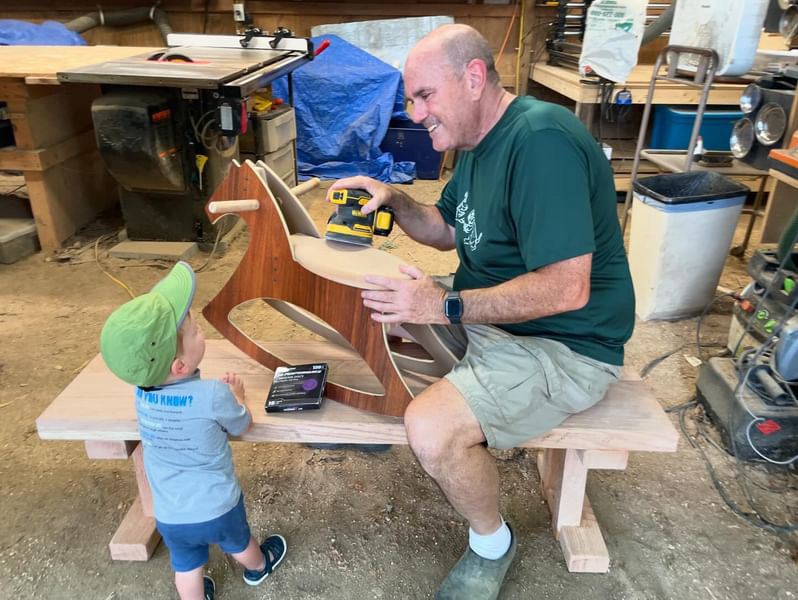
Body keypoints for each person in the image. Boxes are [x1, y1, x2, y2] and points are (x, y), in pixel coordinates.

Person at [329, 24, 635, 600]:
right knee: (377, 298)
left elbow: (568, 289)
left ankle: (492, 543)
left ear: (473, 78)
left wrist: (445, 305)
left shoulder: (541, 142)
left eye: (424, 96)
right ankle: (354, 410)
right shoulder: (475, 144)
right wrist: (395, 200)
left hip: (564, 343)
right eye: (411, 101)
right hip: (496, 319)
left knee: (431, 430)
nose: (416, 114)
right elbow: (446, 229)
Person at [99, 261, 287, 600]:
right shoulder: (213, 394)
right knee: (239, 543)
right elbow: (242, 423)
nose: (201, 332)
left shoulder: (142, 395)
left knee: (186, 566)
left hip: (170, 512)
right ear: (180, 366)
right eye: (196, 331)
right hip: (218, 506)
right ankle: (259, 567)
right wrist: (238, 396)